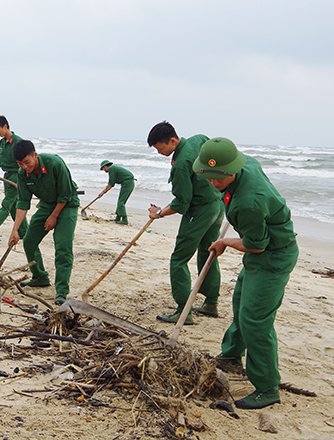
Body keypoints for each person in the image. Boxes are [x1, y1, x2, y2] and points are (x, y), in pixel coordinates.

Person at [193, 137, 298, 410]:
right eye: (209, 178)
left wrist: (225, 242)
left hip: (273, 256)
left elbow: (256, 245)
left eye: (219, 179)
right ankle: (231, 356)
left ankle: (267, 388)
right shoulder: (245, 164)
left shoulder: (249, 202)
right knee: (240, 303)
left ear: (232, 170)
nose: (214, 184)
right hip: (264, 251)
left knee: (255, 320)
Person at [146, 121, 224, 325]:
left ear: (172, 141)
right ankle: (211, 302)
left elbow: (181, 203)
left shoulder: (180, 164)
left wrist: (159, 213)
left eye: (159, 148)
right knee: (209, 252)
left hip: (199, 211)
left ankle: (183, 311)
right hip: (217, 204)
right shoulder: (199, 139)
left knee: (179, 259)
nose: (159, 152)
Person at [9, 140, 79, 305]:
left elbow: (65, 195)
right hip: (47, 204)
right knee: (29, 241)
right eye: (20, 164)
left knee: (62, 245)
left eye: (27, 162)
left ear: (35, 155)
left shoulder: (55, 163)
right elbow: (23, 203)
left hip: (67, 204)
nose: (25, 167)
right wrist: (15, 230)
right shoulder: (22, 174)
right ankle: (40, 276)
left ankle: (61, 290)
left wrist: (53, 217)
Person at [98, 160, 135, 224]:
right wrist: (105, 191)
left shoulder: (111, 169)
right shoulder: (113, 168)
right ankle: (118, 218)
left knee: (121, 202)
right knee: (120, 201)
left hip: (128, 183)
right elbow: (112, 184)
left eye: (103, 169)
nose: (104, 171)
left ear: (105, 166)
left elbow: (111, 183)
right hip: (127, 183)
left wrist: (103, 192)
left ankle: (124, 220)